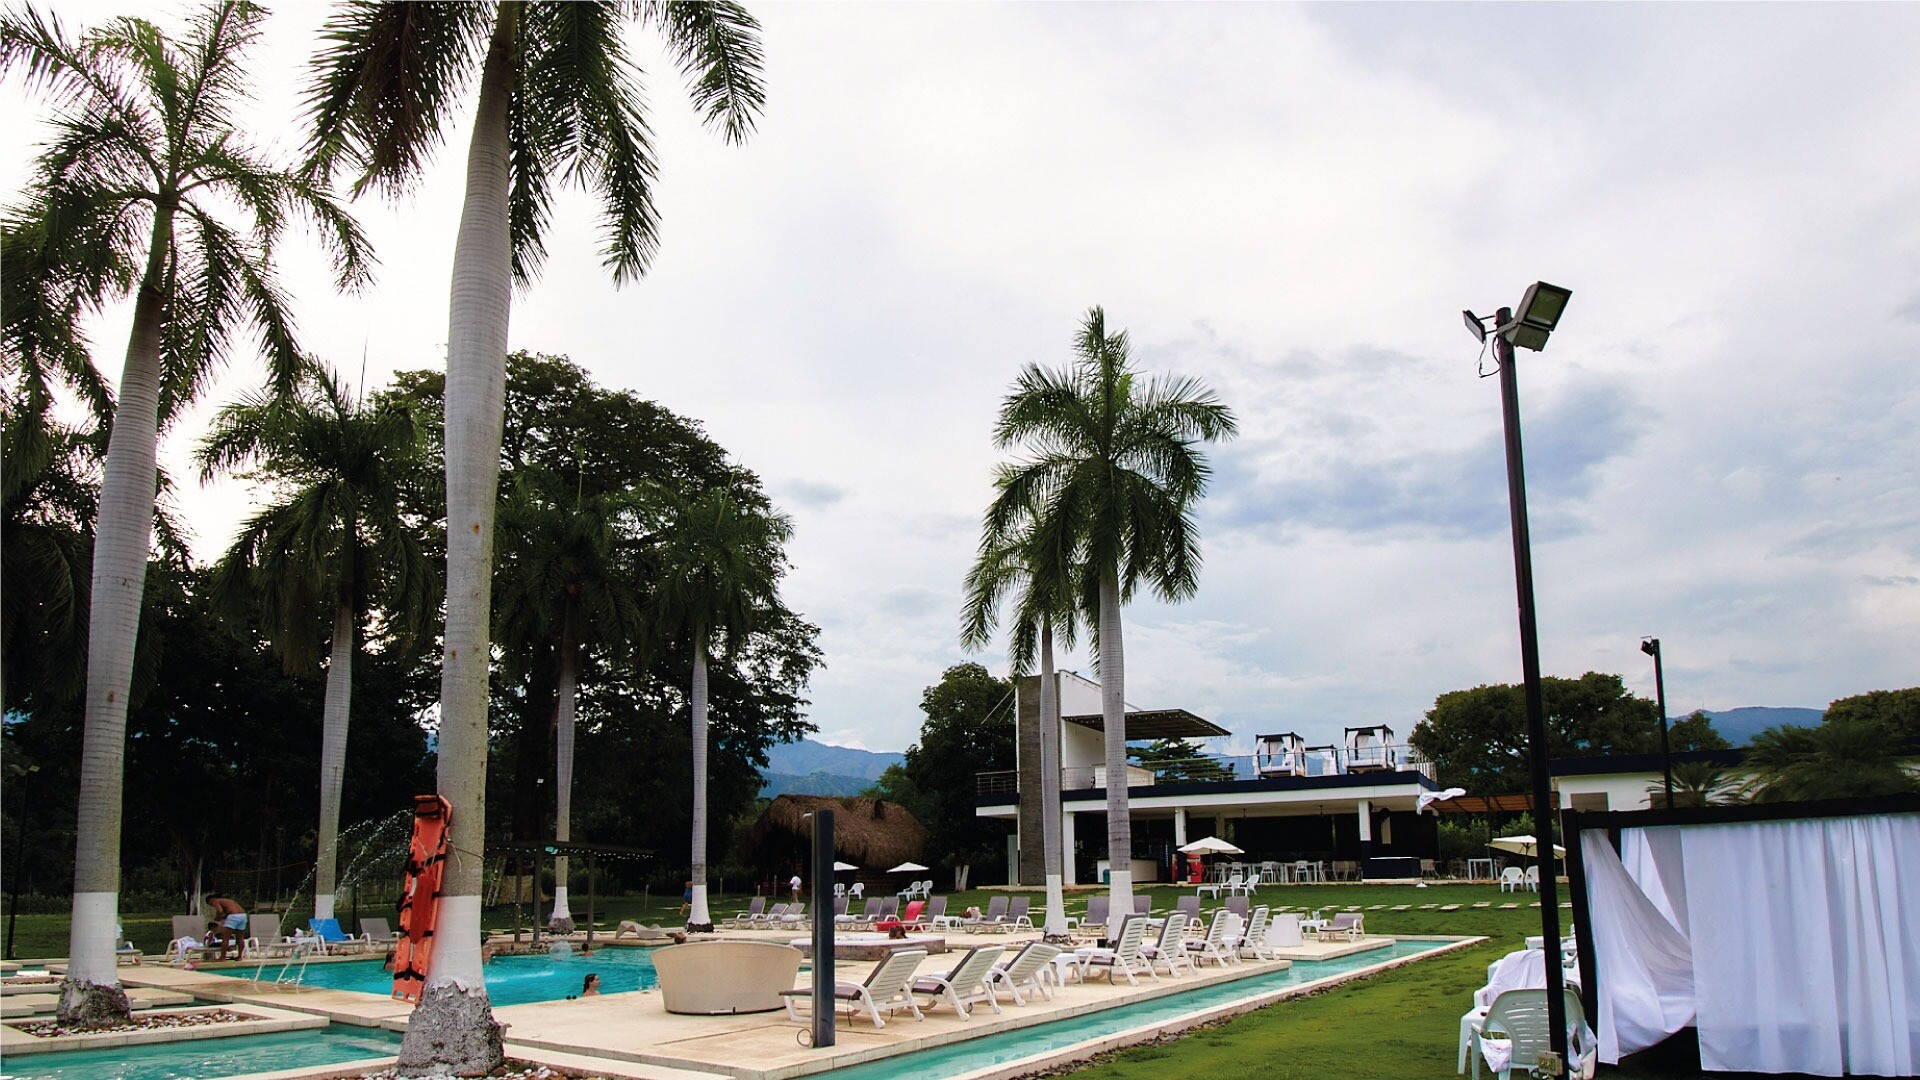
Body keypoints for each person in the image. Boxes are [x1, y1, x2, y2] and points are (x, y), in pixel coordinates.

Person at [207, 895, 247, 960]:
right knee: (240, 938)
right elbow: (230, 910)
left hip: (233, 916)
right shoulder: (228, 901)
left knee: (225, 938)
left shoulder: (216, 901)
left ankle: (223, 957)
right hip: (243, 915)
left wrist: (217, 919)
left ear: (211, 900)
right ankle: (240, 956)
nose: (213, 906)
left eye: (211, 904)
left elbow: (220, 911)